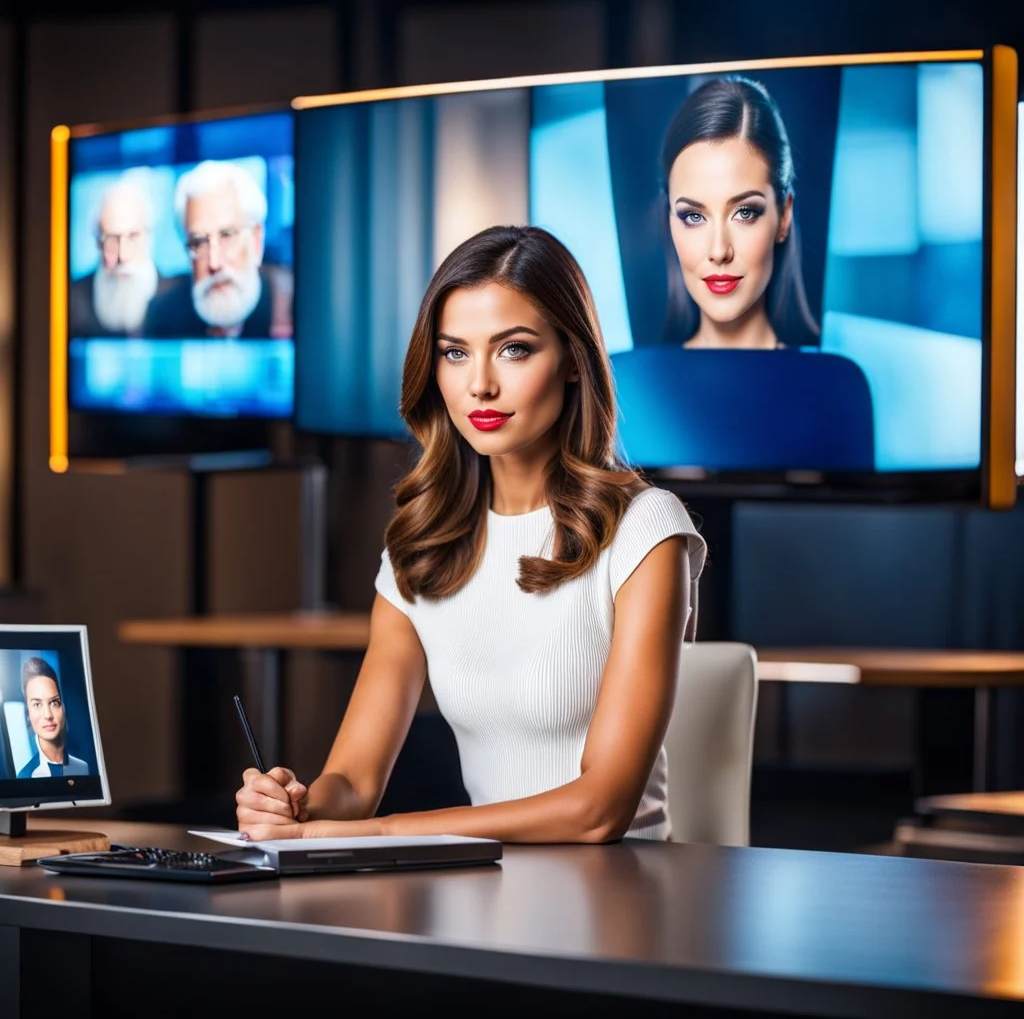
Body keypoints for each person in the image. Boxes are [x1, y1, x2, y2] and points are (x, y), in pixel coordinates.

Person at [235, 224, 707, 844]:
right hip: (489, 896)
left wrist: (385, 834)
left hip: (622, 903)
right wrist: (295, 807)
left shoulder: (646, 531)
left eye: (513, 349)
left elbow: (600, 810)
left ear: (571, 359)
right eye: (455, 352)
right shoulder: (421, 547)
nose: (479, 383)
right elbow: (353, 781)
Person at [659, 76, 819, 350]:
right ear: (670, 220)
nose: (719, 251)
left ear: (784, 216)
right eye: (693, 216)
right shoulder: (625, 381)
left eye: (745, 212)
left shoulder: (837, 383)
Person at [143, 159, 290, 338]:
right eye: (199, 243)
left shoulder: (292, 308)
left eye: (227, 235)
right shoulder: (162, 318)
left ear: (255, 241)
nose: (214, 263)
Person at [69, 171, 165, 337]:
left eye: (133, 236)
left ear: (149, 236)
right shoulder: (70, 298)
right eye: (111, 239)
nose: (124, 255)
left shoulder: (177, 300)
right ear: (97, 241)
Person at [16, 657, 88, 779]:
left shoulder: (83, 767)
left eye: (54, 702)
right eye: (37, 704)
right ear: (28, 713)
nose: (48, 715)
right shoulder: (26, 776)